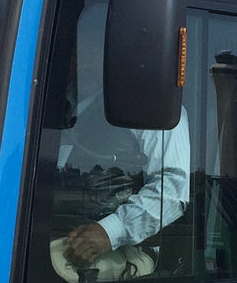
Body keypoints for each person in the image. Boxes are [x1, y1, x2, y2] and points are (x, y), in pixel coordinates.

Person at [61, 107, 191, 273]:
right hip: (58, 231)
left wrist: (110, 231)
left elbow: (172, 189)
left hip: (123, 247)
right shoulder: (68, 102)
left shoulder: (152, 102)